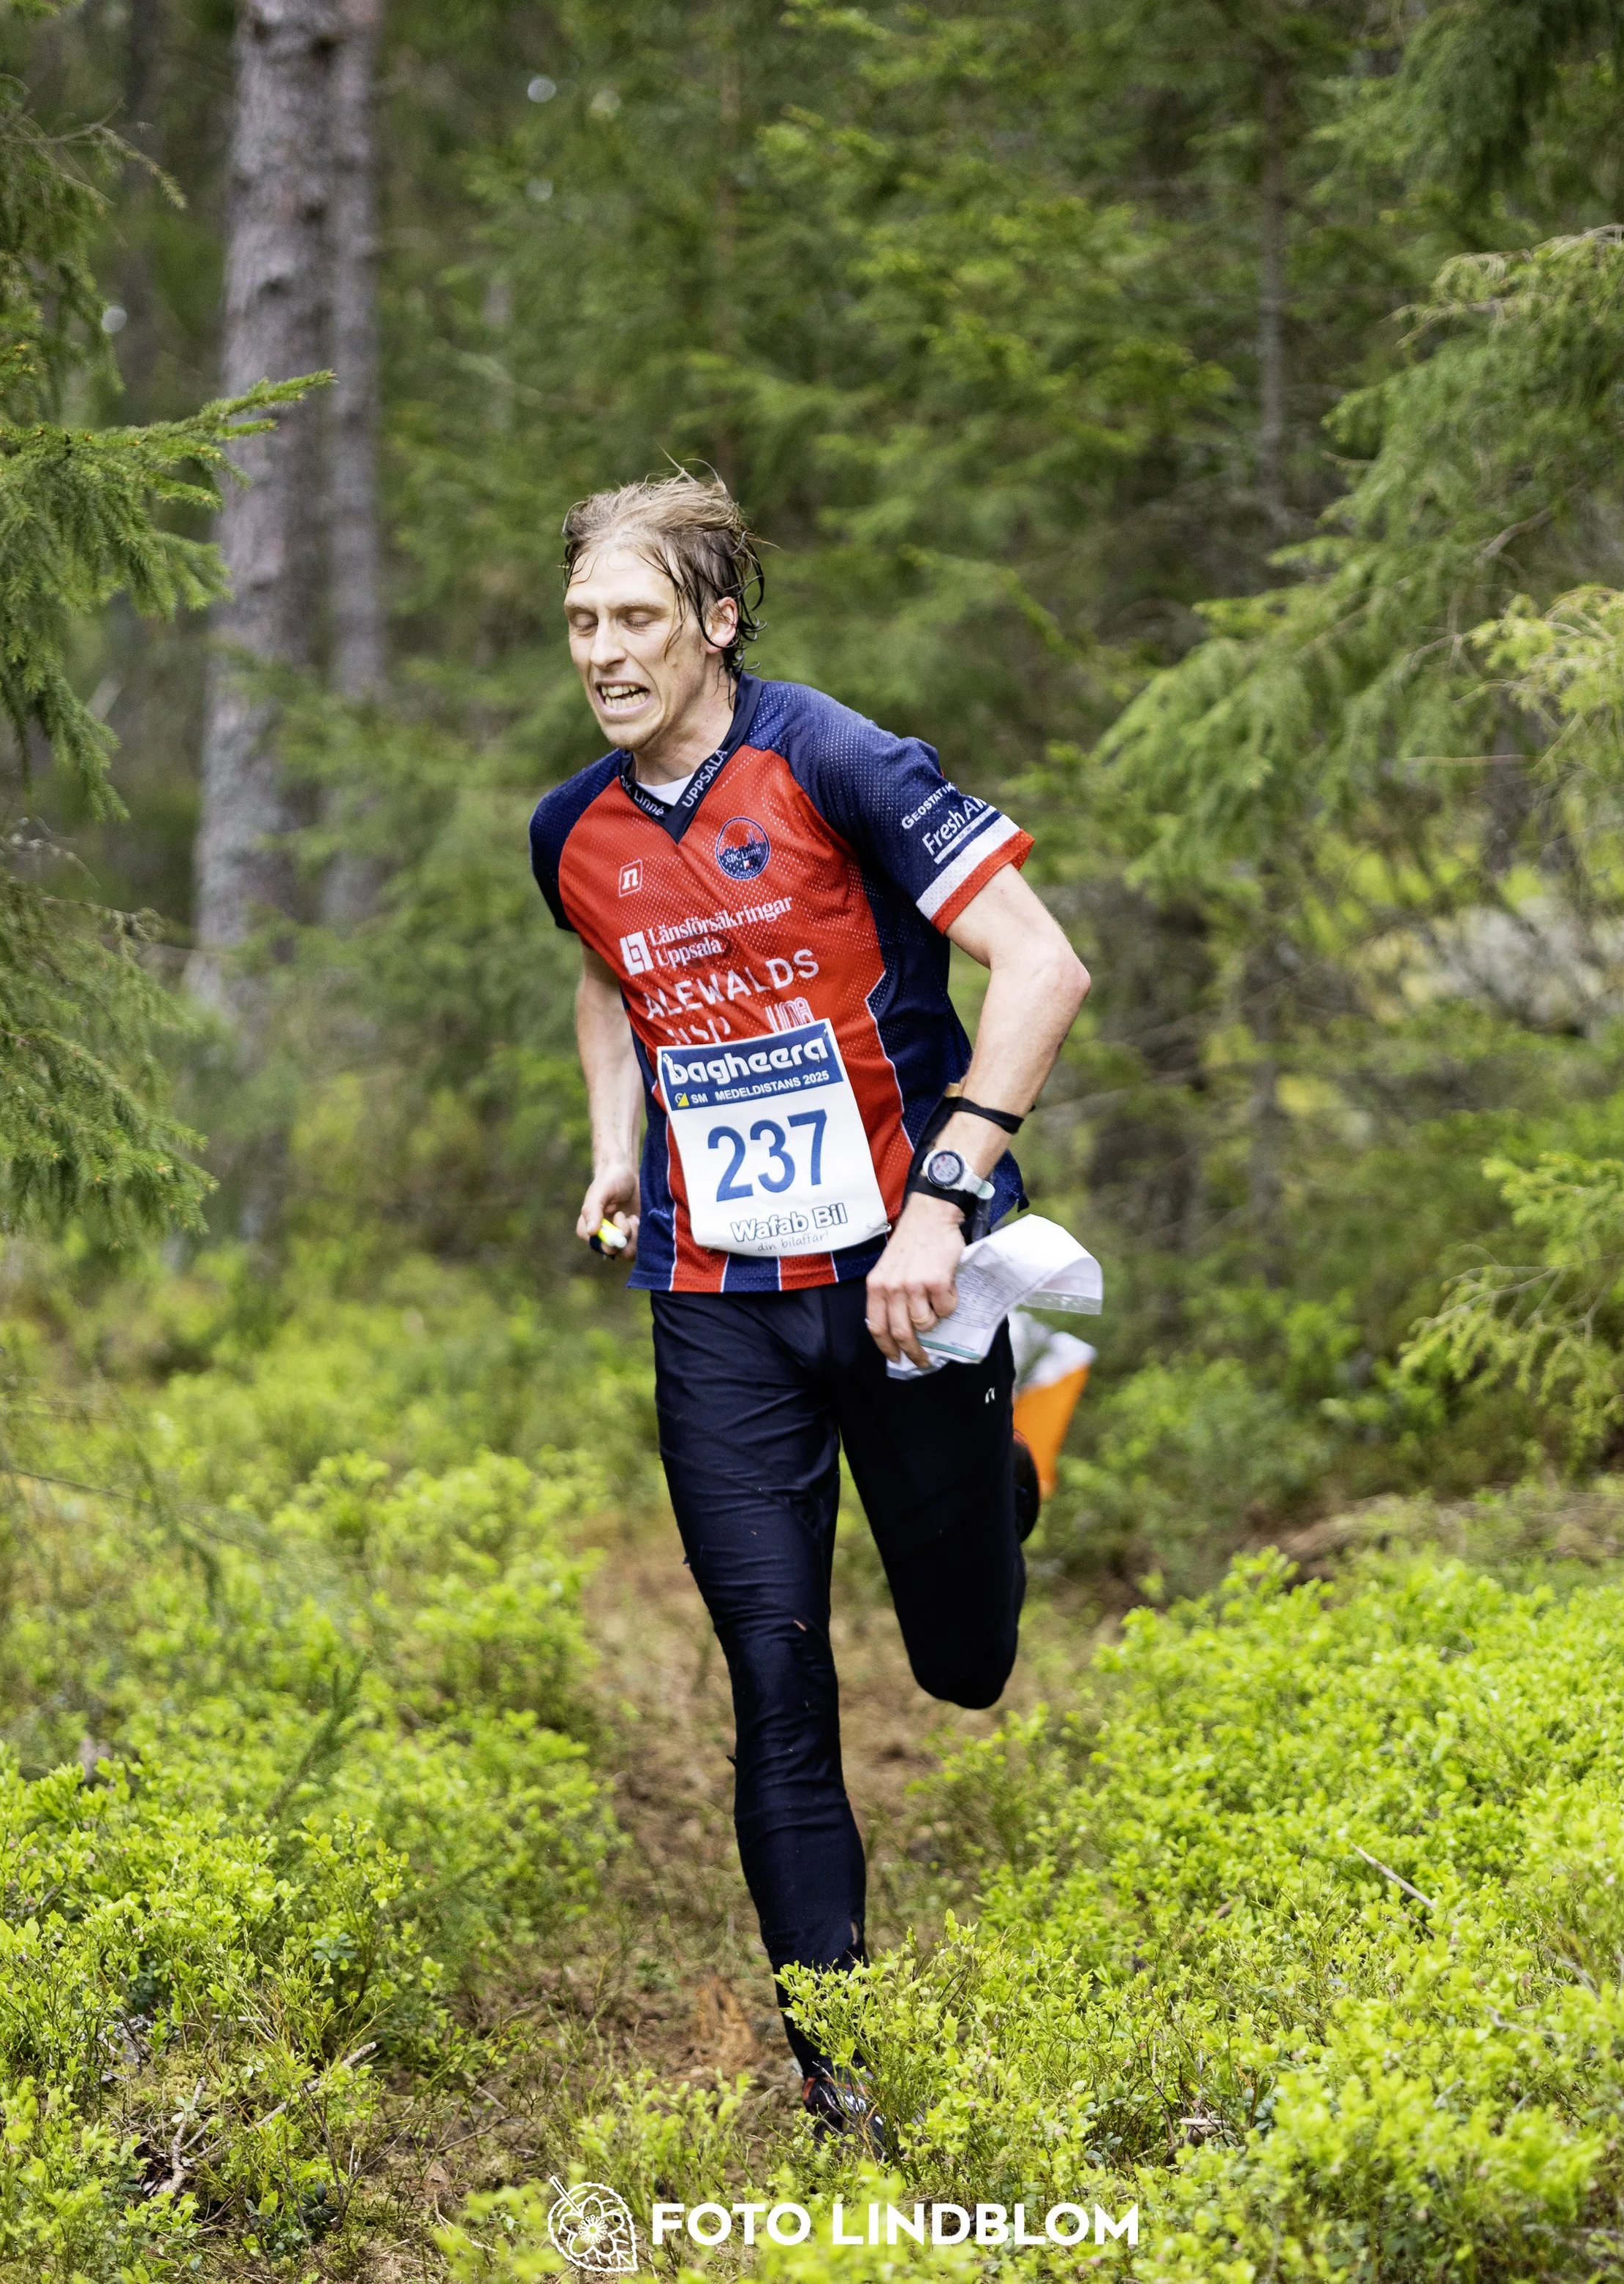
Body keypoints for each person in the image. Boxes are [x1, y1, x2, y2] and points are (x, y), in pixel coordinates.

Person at [529, 473, 1089, 2131]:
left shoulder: (835, 760)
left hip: (903, 1278)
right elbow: (608, 974)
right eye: (582, 621)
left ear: (715, 622)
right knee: (772, 1674)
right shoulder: (569, 828)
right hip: (716, 1299)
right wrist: (618, 1149)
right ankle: (840, 2070)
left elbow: (1041, 965)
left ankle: (1013, 1450)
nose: (604, 651)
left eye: (638, 617)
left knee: (965, 1664)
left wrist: (944, 1202)